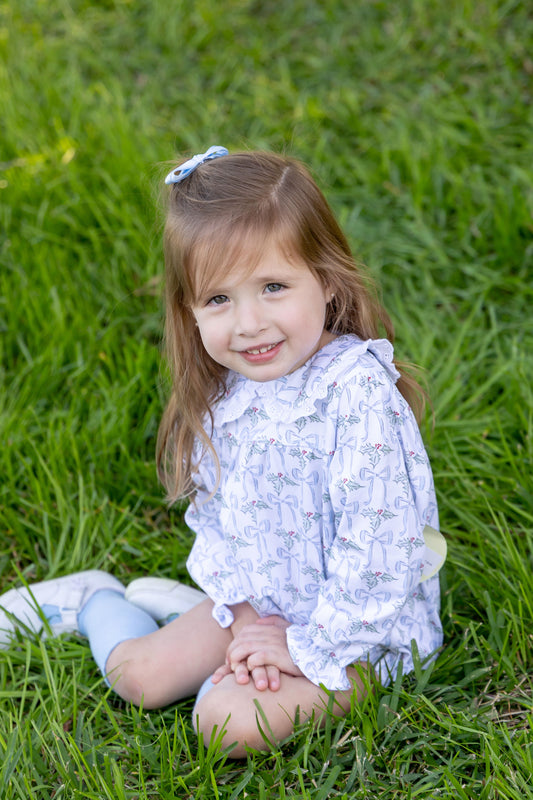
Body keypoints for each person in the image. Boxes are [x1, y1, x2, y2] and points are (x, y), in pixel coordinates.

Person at [0, 146, 444, 758]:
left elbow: (381, 549)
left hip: (363, 634)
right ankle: (94, 603)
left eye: (273, 287)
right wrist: (237, 609)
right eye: (219, 300)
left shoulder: (356, 395)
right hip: (260, 603)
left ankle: (221, 655)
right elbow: (220, 515)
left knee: (226, 722)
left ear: (326, 277)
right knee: (138, 678)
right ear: (190, 309)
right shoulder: (227, 393)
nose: (249, 324)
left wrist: (304, 645)